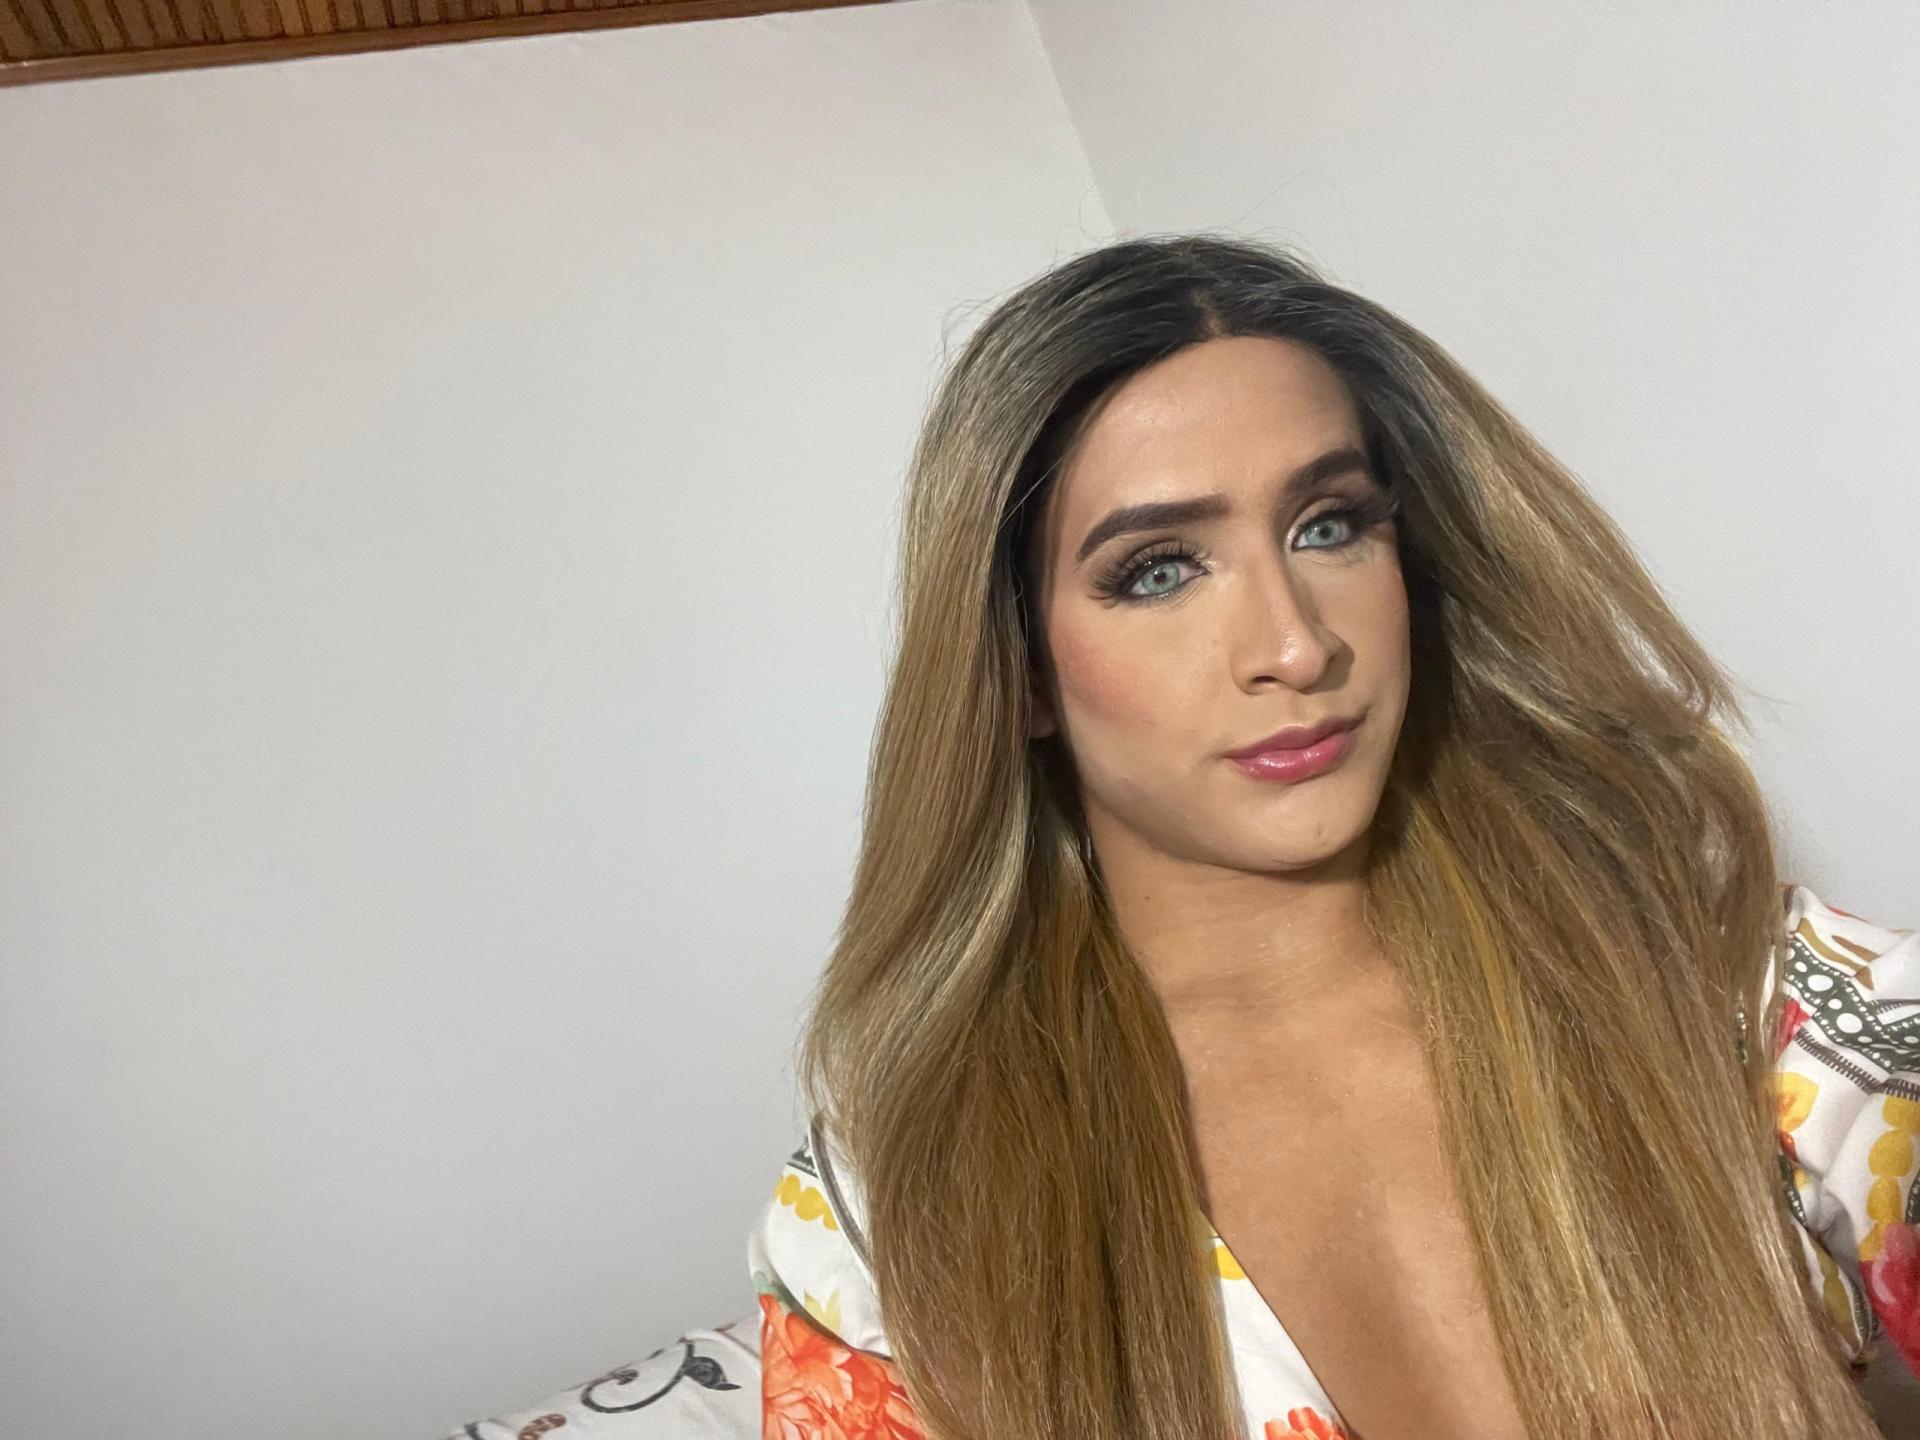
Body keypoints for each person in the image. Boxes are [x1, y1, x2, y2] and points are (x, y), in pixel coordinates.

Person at [743, 233, 1919, 1440]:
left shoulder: (1740, 991)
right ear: (1022, 670)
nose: (1298, 647)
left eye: (1328, 525)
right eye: (1158, 571)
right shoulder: (890, 1224)